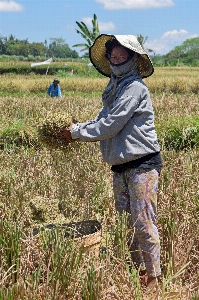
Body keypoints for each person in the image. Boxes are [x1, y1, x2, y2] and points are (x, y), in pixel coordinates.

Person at [57, 34, 163, 289]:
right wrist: (76, 127)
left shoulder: (135, 88)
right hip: (121, 167)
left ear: (133, 58)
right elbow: (99, 120)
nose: (116, 60)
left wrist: (74, 133)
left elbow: (111, 125)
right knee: (128, 224)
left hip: (143, 164)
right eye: (113, 56)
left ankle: (154, 278)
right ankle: (138, 273)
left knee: (143, 222)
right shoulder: (112, 89)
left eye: (121, 56)